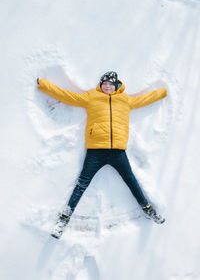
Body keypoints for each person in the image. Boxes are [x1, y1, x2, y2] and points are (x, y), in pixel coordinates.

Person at [37, 71, 167, 239]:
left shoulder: (125, 99)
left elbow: (144, 99)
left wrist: (163, 92)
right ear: (101, 84)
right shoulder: (92, 97)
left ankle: (148, 209)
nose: (107, 86)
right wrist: (44, 85)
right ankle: (63, 220)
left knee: (131, 181)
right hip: (95, 151)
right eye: (104, 83)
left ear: (116, 86)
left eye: (110, 84)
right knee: (81, 184)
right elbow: (68, 96)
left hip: (118, 152)